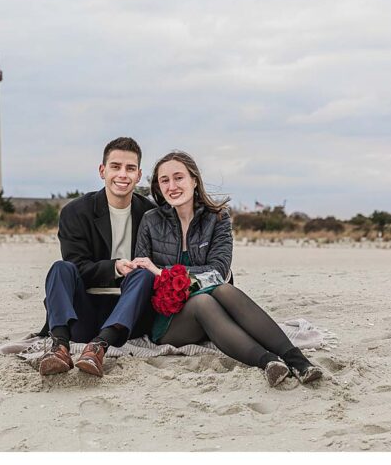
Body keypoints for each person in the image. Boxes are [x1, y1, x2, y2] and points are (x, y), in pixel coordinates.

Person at [131, 151, 323, 387]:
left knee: (223, 290)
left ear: (194, 180)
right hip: (169, 320)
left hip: (215, 306)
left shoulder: (217, 218)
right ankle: (268, 362)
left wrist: (162, 271)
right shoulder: (150, 220)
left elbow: (218, 271)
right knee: (204, 301)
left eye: (178, 177)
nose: (172, 186)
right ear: (158, 188)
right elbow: (141, 272)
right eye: (164, 180)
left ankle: (298, 361)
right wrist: (161, 275)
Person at [38, 137, 155, 379]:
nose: (122, 174)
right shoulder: (75, 211)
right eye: (115, 166)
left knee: (143, 274)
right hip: (83, 313)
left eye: (130, 168)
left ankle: (98, 348)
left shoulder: (150, 214)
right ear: (103, 171)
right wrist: (114, 267)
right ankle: (59, 346)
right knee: (61, 268)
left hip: (127, 318)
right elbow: (77, 266)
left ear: (139, 175)